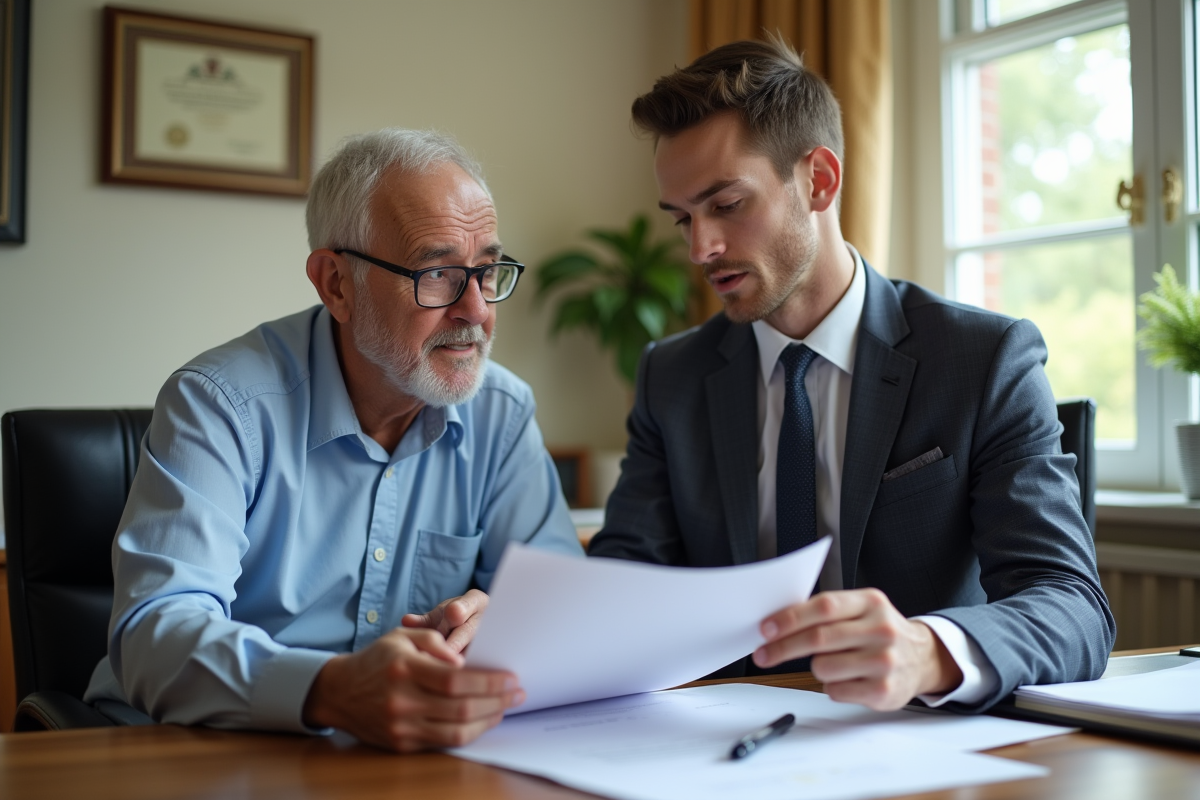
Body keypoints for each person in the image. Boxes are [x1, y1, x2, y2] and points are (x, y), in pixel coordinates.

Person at [587, 38, 1115, 712]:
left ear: (819, 180)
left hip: (919, 739)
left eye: (726, 205)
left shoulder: (984, 361)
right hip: (722, 739)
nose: (700, 248)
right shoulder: (672, 377)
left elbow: (1071, 606)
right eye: (683, 219)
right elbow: (622, 585)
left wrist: (929, 650)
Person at [84, 129, 584, 751]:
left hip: (404, 761)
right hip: (193, 751)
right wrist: (332, 689)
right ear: (337, 284)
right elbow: (154, 638)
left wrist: (507, 625)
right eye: (437, 274)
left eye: (486, 271)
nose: (477, 310)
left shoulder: (501, 413)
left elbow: (568, 605)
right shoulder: (219, 405)